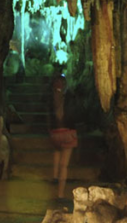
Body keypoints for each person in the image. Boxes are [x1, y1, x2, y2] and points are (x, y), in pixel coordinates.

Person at [49, 72, 77, 201]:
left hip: (55, 133)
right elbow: (73, 115)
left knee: (57, 151)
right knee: (64, 165)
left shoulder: (52, 98)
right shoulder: (69, 98)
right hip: (68, 133)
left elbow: (49, 117)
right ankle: (60, 194)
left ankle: (54, 175)